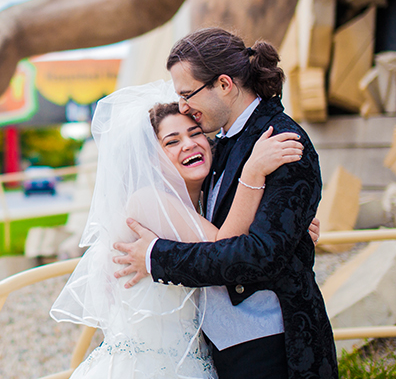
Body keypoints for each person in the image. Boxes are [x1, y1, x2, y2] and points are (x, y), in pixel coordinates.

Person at [112, 27, 338, 379]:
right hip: (221, 346)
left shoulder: (279, 143)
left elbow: (257, 255)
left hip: (272, 344)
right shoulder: (223, 145)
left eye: (188, 93)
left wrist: (157, 257)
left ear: (224, 84)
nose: (184, 106)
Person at [50, 81, 309, 378]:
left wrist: (289, 231)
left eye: (195, 133)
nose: (188, 144)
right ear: (151, 158)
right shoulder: (147, 201)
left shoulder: (201, 205)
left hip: (192, 362)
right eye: (171, 141)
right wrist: (253, 170)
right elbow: (225, 247)